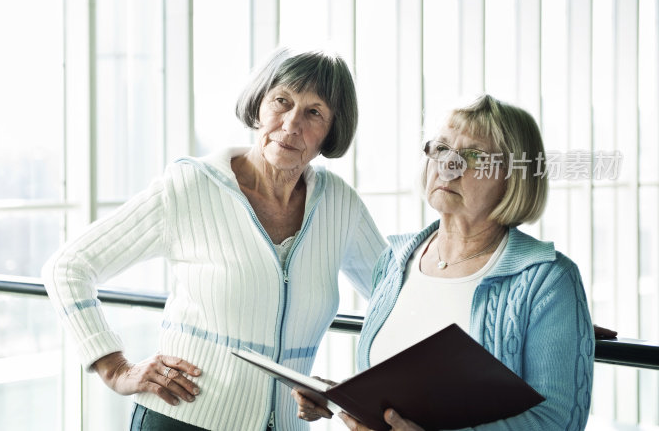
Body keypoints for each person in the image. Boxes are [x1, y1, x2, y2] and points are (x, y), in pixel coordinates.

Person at [42, 46, 387, 431]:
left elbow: (397, 298)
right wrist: (114, 367)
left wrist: (347, 390)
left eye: (314, 112)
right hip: (182, 419)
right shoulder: (191, 187)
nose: (291, 124)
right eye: (281, 101)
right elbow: (68, 268)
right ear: (259, 105)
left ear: (331, 130)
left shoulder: (341, 206)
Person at [293, 94, 595, 430]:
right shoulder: (393, 262)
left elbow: (559, 421)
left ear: (515, 177)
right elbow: (402, 394)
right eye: (441, 149)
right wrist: (345, 398)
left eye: (475, 156)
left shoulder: (549, 280)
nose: (450, 165)